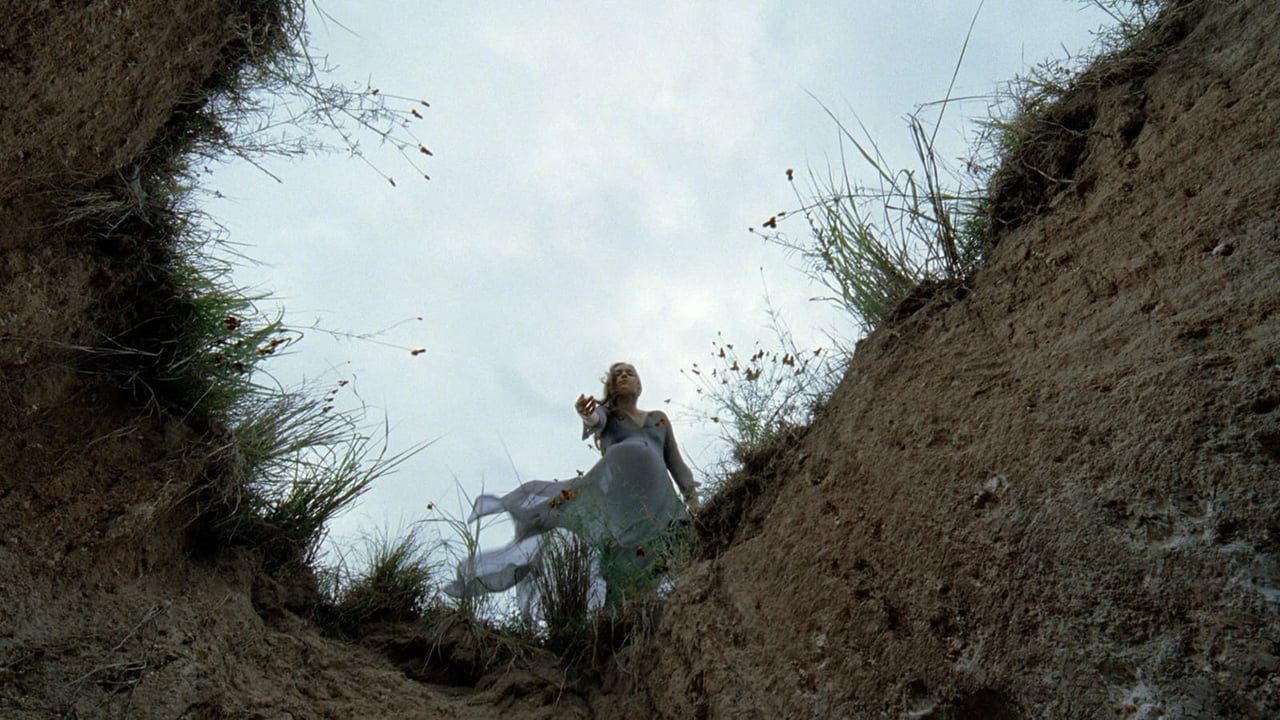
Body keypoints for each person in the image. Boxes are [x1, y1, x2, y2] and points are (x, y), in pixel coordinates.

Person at [444, 362, 700, 608]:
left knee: (661, 550)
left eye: (629, 372)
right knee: (624, 554)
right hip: (622, 499)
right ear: (611, 386)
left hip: (659, 499)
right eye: (617, 374)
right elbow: (595, 419)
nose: (623, 376)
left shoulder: (658, 419)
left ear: (639, 384)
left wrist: (695, 503)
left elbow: (676, 463)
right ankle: (621, 614)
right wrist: (586, 414)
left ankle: (649, 610)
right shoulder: (610, 416)